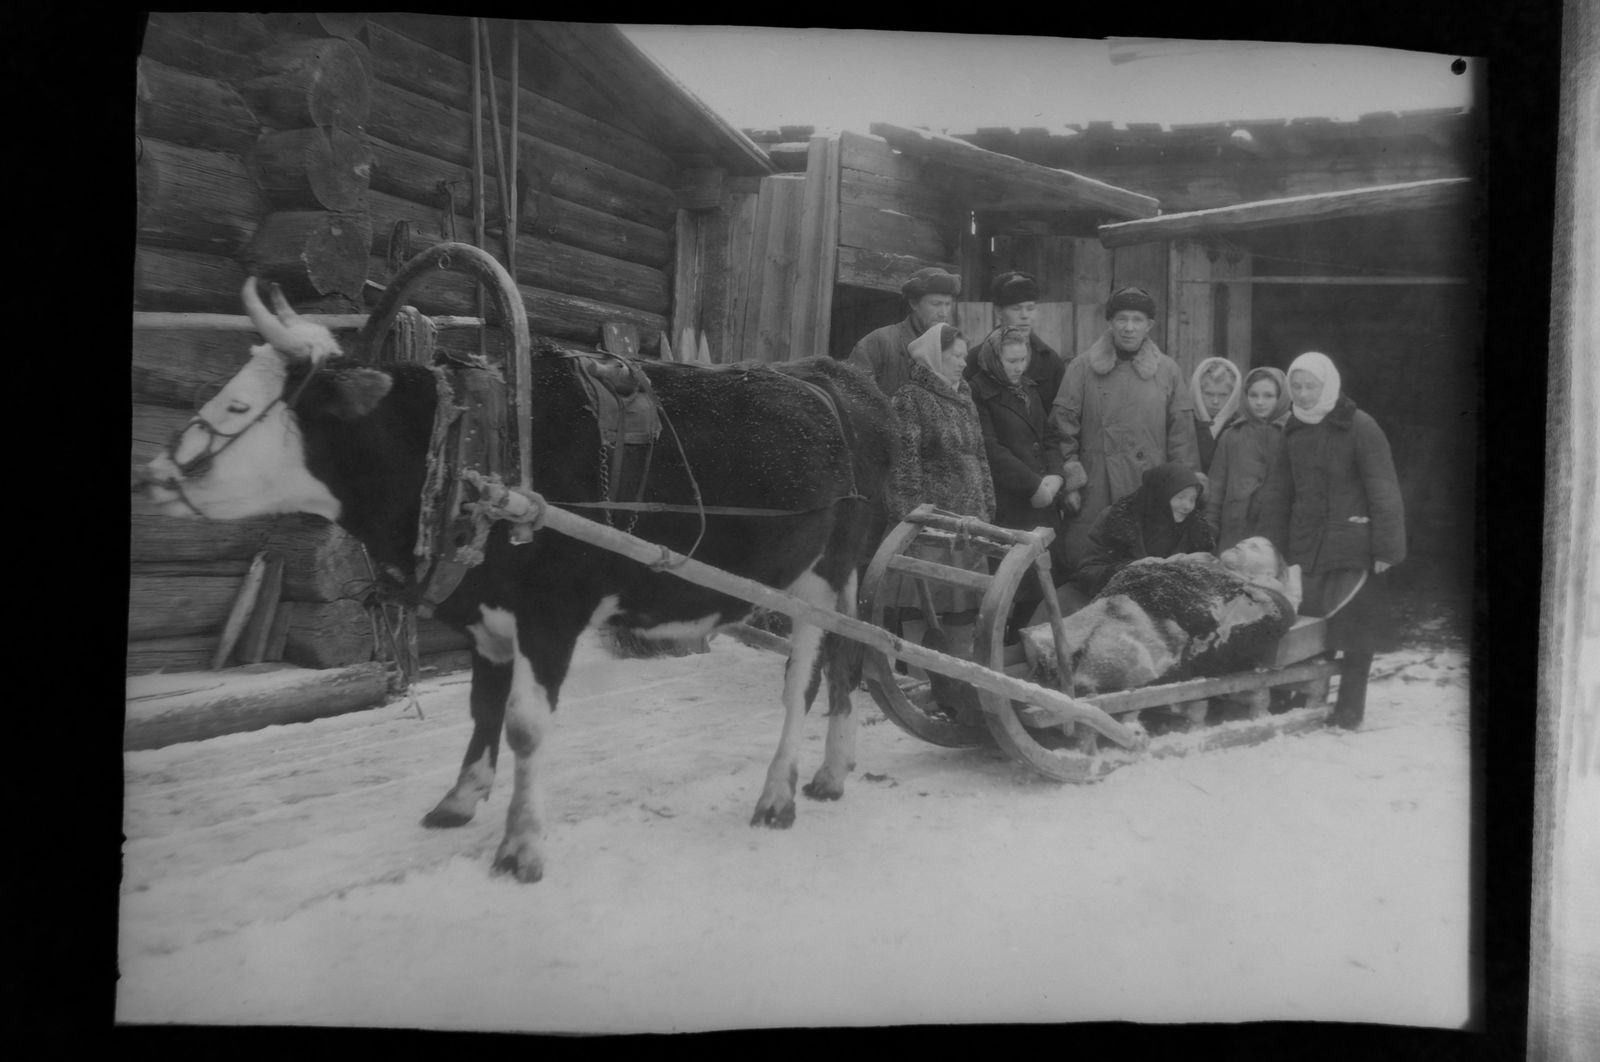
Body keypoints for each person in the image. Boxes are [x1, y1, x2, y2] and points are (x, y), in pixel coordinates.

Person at [1254, 351, 1406, 731]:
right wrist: (1272, 546)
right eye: (1297, 386)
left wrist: (1386, 547)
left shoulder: (1360, 426)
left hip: (1353, 543)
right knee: (1307, 625)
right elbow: (1278, 490)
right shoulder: (1292, 428)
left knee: (1355, 631)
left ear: (1330, 385)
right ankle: (1297, 698)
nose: (1303, 394)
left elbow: (1383, 488)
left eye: (1311, 386)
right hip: (1306, 545)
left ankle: (1350, 709)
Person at [1051, 286, 1200, 575]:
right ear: (1110, 322)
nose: (1129, 328)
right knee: (1090, 564)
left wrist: (1182, 491)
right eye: (1121, 319)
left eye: (1137, 320)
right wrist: (1071, 477)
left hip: (1148, 489)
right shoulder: (1082, 368)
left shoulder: (1167, 370)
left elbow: (1182, 437)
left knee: (1146, 567)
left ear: (1149, 326)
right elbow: (1062, 428)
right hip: (1096, 487)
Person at [886, 323, 995, 695]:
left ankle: (959, 688)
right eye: (957, 356)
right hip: (931, 527)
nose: (964, 364)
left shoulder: (964, 395)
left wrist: (987, 506)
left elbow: (978, 455)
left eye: (965, 356)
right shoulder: (910, 399)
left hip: (968, 525)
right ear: (935, 355)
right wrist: (915, 519)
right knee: (924, 606)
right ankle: (919, 685)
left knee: (963, 609)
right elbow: (903, 466)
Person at [968, 327, 1086, 634]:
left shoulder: (1030, 388)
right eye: (1011, 361)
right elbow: (990, 449)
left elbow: (1049, 437)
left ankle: (1026, 645)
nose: (1019, 367)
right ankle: (997, 650)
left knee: (1040, 583)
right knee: (1007, 583)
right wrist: (1033, 485)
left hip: (1043, 499)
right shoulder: (979, 391)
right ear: (995, 359)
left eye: (1023, 359)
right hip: (1009, 503)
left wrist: (1057, 477)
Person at [1070, 461, 1216, 604]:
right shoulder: (1116, 517)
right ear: (1161, 493)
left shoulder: (1196, 527)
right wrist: (1131, 569)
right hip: (1119, 605)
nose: (1188, 506)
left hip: (1170, 608)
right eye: (1181, 497)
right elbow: (1087, 573)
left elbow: (1210, 577)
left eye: (1192, 499)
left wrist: (1187, 566)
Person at [1205, 365, 1292, 551]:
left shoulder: (1293, 434)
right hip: (1235, 530)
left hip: (1278, 532)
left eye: (1268, 396)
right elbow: (1216, 488)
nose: (1259, 402)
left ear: (1281, 396)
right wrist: (1210, 530)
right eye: (1253, 395)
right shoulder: (1232, 435)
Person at [847, 266, 961, 400]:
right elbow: (853, 397)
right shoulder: (878, 342)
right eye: (936, 304)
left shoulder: (955, 346)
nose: (944, 313)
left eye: (948, 304)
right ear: (914, 304)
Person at [963, 270, 1066, 406]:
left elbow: (1056, 416)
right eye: (1016, 309)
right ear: (999, 311)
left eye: (1030, 308)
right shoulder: (974, 359)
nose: (1025, 315)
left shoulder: (1051, 361)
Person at [1190, 356, 1242, 475]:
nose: (1215, 401)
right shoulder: (1185, 423)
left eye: (1223, 395)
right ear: (1197, 392)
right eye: (1208, 394)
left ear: (1233, 394)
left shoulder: (1239, 426)